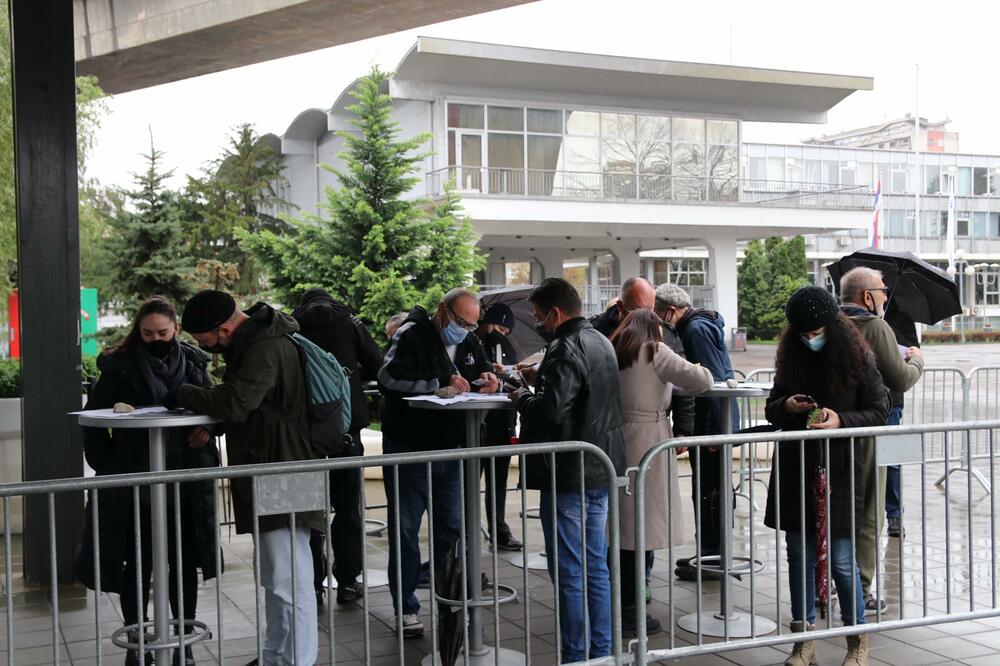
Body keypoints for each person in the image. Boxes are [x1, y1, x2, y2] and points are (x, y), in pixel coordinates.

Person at [165, 290, 321, 666]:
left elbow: (237, 403)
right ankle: (276, 655)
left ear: (223, 329)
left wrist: (185, 393)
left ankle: (296, 660)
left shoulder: (263, 345)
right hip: (277, 463)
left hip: (283, 468)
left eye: (205, 340)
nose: (205, 347)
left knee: (289, 578)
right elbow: (254, 403)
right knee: (276, 575)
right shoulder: (258, 340)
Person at [81, 296, 220, 666]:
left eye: (162, 332)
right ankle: (138, 641)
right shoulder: (119, 366)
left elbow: (217, 406)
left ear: (176, 329)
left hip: (185, 480)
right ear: (138, 332)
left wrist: (208, 429)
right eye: (148, 333)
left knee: (182, 562)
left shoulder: (194, 362)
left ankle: (183, 643)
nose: (156, 339)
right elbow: (94, 420)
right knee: (138, 563)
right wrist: (108, 465)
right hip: (135, 482)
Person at [764, 286, 889, 666]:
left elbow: (879, 410)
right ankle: (804, 642)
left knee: (841, 560)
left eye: (816, 332)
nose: (809, 339)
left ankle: (857, 641)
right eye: (803, 334)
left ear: (833, 326)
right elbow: (772, 407)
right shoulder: (792, 356)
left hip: (838, 472)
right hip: (795, 469)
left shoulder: (859, 359)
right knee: (799, 558)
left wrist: (840, 420)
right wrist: (787, 405)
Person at [511, 277, 626, 663]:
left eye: (539, 316)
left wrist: (522, 396)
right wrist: (540, 380)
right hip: (600, 466)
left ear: (556, 313)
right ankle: (601, 652)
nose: (537, 323)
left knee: (571, 571)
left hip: (568, 474)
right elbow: (581, 394)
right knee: (595, 566)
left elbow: (551, 411)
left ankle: (575, 655)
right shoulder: (600, 340)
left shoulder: (564, 346)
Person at [377, 288, 499, 638]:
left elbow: (482, 371)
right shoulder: (411, 334)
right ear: (443, 311)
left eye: (472, 324)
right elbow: (387, 378)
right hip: (410, 448)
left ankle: (450, 602)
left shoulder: (470, 340)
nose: (466, 329)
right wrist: (436, 385)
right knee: (406, 530)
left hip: (451, 449)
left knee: (452, 531)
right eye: (461, 321)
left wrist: (490, 381)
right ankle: (406, 609)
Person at [610, 309, 713, 636]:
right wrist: (697, 364)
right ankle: (630, 611)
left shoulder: (614, 349)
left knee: (621, 528)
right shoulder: (655, 350)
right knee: (640, 528)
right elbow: (702, 380)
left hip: (617, 439)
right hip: (649, 441)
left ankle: (619, 605)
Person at [839, 267, 924, 614]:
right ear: (867, 295)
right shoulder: (875, 327)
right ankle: (860, 591)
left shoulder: (830, 323)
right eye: (882, 290)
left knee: (833, 509)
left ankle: (823, 588)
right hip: (870, 428)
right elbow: (900, 378)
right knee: (869, 511)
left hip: (834, 426)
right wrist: (917, 361)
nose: (886, 296)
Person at [292, 288, 383, 606]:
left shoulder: (292, 327)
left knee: (309, 512)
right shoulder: (349, 322)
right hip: (346, 429)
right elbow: (377, 363)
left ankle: (313, 585)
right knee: (347, 509)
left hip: (306, 432)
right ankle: (346, 582)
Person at [654, 283, 739, 581]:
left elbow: (710, 380)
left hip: (711, 425)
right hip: (714, 423)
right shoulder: (700, 324)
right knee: (709, 491)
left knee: (710, 493)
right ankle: (709, 555)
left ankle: (713, 559)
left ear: (670, 310)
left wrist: (714, 431)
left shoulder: (694, 330)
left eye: (658, 313)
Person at [476, 303, 523, 551]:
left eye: (505, 332)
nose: (500, 334)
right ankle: (465, 532)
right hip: (476, 423)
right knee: (469, 480)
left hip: (503, 422)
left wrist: (506, 376)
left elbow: (517, 381)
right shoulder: (472, 343)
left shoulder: (507, 347)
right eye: (498, 328)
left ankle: (499, 528)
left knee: (499, 480)